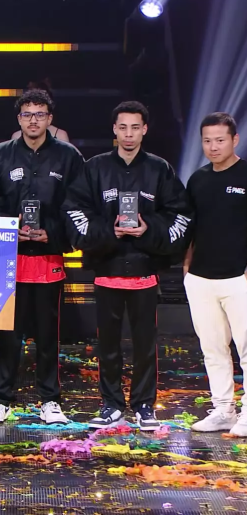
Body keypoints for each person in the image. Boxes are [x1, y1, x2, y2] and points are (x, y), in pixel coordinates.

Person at [63, 101, 192, 430]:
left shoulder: (160, 169)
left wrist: (148, 230)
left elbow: (179, 214)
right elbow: (75, 210)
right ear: (114, 130)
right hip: (107, 272)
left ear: (144, 129)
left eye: (135, 127)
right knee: (107, 346)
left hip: (145, 273)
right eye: (123, 127)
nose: (129, 134)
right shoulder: (94, 168)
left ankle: (144, 406)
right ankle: (111, 405)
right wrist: (110, 231)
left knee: (145, 346)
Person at [0, 88, 85, 425]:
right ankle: (0, 400)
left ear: (49, 119)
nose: (33, 120)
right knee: (8, 335)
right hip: (9, 260)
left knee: (47, 335)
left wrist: (51, 233)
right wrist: (8, 229)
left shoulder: (68, 156)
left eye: (40, 114)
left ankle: (50, 401)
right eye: (27, 114)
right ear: (19, 119)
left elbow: (77, 206)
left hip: (48, 259)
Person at [184, 113, 247, 435]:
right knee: (213, 348)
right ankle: (223, 410)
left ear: (235, 139)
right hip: (201, 278)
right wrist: (187, 265)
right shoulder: (197, 180)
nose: (213, 146)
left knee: (246, 348)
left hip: (239, 277)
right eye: (207, 141)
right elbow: (191, 226)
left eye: (220, 140)